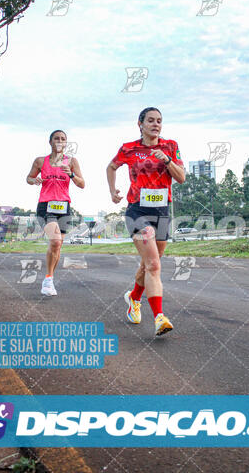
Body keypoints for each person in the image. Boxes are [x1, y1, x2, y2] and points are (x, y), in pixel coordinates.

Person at [106, 107, 185, 336]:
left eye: (159, 121)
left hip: (161, 211)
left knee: (148, 264)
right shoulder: (130, 149)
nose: (156, 124)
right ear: (140, 124)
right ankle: (159, 317)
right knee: (154, 265)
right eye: (150, 120)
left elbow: (181, 177)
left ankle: (134, 298)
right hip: (137, 211)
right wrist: (113, 191)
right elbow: (111, 166)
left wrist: (168, 160)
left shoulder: (170, 146)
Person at [26, 130, 85, 296]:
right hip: (46, 205)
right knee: (56, 241)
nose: (60, 141)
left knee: (57, 245)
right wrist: (35, 180)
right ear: (50, 142)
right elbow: (28, 178)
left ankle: (49, 279)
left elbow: (82, 184)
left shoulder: (71, 161)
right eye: (56, 138)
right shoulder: (40, 161)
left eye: (63, 139)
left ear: (66, 143)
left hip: (64, 207)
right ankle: (48, 278)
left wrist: (71, 174)